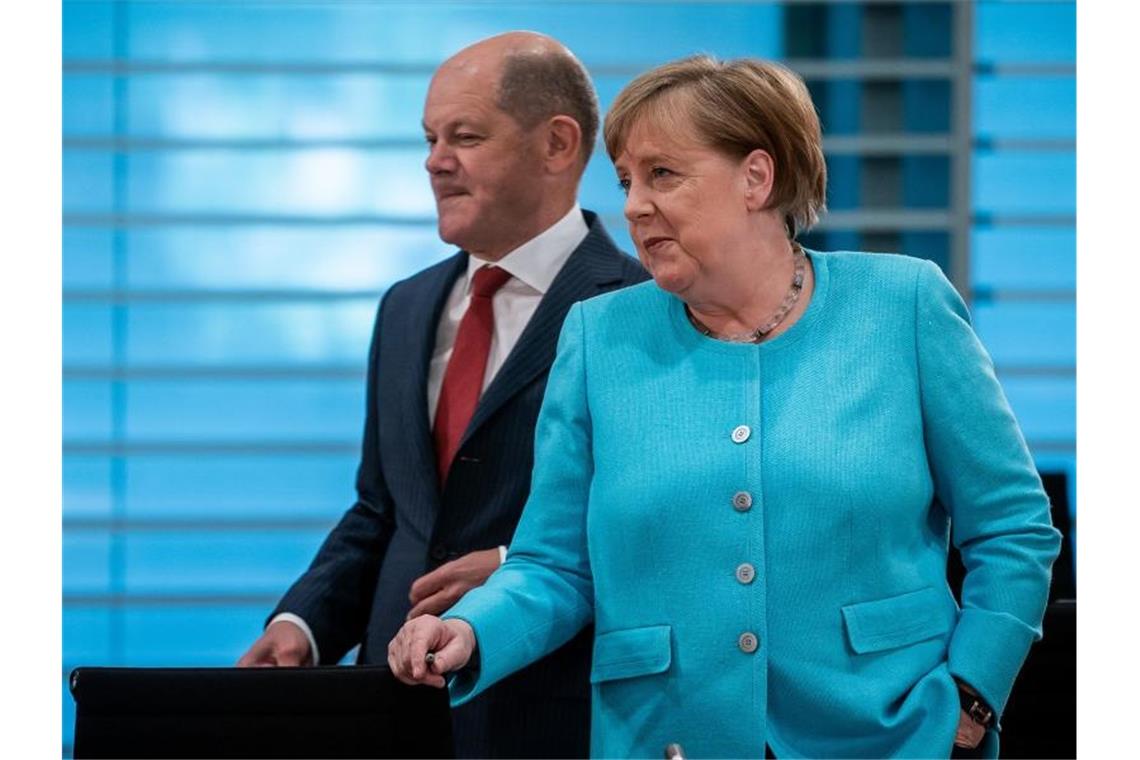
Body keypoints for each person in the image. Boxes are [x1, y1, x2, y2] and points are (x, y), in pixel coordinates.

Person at [387, 55, 1062, 759]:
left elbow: (1013, 527)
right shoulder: (598, 337)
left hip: (889, 733)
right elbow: (554, 564)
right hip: (666, 736)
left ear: (756, 178)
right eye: (625, 180)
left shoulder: (904, 306)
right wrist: (472, 630)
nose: (634, 205)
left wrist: (974, 692)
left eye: (663, 174)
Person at [236, 32, 648, 758]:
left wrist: (517, 563)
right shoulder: (405, 308)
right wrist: (301, 625)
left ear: (557, 145)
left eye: (465, 135)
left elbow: (670, 528)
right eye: (429, 138)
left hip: (549, 716)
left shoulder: (644, 312)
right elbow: (382, 509)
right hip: (389, 712)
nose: (435, 161)